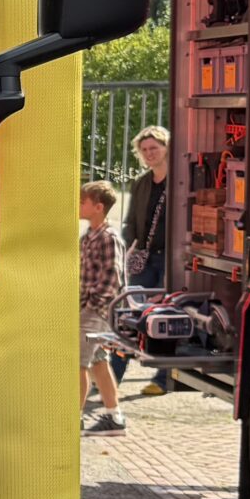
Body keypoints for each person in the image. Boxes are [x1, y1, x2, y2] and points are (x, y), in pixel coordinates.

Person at [121, 124, 172, 396]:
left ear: (166, 148)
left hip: (171, 260)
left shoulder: (179, 180)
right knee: (131, 313)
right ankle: (112, 379)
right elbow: (131, 221)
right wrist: (129, 248)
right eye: (144, 150)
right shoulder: (141, 183)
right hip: (145, 259)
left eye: (154, 148)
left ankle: (163, 377)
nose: (150, 153)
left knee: (164, 315)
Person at [79, 179, 125, 435]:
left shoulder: (107, 238)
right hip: (90, 308)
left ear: (98, 207)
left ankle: (73, 418)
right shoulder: (89, 236)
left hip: (95, 311)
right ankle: (114, 417)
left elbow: (111, 277)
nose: (78, 205)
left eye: (83, 201)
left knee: (79, 363)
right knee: (98, 361)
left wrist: (92, 306)